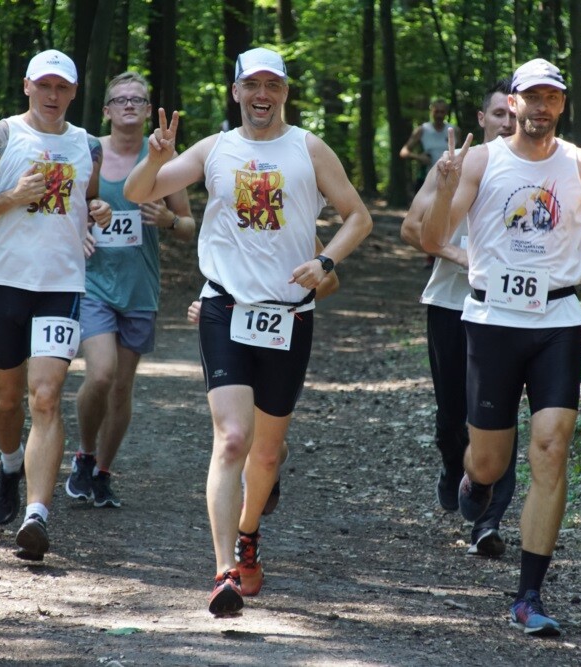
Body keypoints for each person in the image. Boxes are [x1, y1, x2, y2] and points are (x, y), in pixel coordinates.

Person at [123, 47, 372, 616]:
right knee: (233, 438)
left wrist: (326, 262)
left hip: (289, 314)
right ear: (235, 91)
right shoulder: (215, 149)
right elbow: (138, 193)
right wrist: (154, 156)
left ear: (284, 92)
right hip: (225, 309)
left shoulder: (308, 148)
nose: (263, 95)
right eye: (252, 85)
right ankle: (223, 572)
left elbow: (358, 216)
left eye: (273, 85)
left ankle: (250, 534)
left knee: (267, 453)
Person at [421, 58, 581, 636]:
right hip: (492, 319)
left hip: (556, 318)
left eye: (553, 98)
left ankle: (529, 595)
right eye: (533, 97)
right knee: (489, 461)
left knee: (551, 449)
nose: (542, 107)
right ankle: (474, 482)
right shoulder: (481, 160)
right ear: (515, 103)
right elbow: (430, 239)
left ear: (562, 106)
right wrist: (445, 191)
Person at [0, 49, 112, 562]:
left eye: (62, 87)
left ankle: (36, 515)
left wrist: (98, 211)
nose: (52, 95)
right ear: (26, 86)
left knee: (45, 397)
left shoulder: (88, 145)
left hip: (61, 286)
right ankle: (9, 463)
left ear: (73, 92)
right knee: (7, 400)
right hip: (4, 281)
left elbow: (86, 203)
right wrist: (11, 197)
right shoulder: (1, 138)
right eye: (44, 85)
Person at [64, 72, 196, 510]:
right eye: (119, 99)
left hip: (140, 287)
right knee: (99, 374)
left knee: (122, 387)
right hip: (94, 283)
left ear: (146, 110)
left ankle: (103, 472)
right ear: (106, 109)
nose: (128, 106)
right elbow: (60, 208)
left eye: (137, 100)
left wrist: (169, 222)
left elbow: (189, 225)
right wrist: (83, 222)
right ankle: (83, 455)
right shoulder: (88, 149)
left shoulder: (162, 157)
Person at [400, 79, 518, 559]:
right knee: (453, 419)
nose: (507, 123)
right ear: (480, 119)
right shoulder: (454, 166)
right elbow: (412, 229)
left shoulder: (540, 170)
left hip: (510, 313)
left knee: (499, 419)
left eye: (514, 114)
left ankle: (487, 521)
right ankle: (454, 466)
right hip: (451, 306)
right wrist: (460, 255)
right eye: (498, 114)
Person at [185, 236, 340, 517]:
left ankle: (271, 460)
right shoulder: (231, 219)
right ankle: (235, 535)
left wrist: (288, 298)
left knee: (265, 440)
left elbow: (331, 282)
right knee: (234, 434)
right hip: (231, 330)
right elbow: (220, 276)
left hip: (281, 331)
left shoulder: (297, 223)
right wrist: (207, 307)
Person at [401, 99, 456, 268]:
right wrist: (420, 158)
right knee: (426, 217)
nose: (439, 115)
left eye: (442, 112)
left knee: (444, 215)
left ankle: (438, 252)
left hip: (449, 180)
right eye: (436, 111)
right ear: (431, 111)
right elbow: (404, 152)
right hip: (426, 179)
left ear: (446, 112)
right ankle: (430, 255)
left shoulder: (453, 131)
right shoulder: (422, 130)